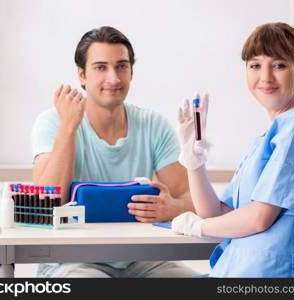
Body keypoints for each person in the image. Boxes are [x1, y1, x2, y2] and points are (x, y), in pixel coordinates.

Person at [31, 26, 198, 278]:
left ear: (131, 72)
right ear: (81, 75)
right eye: (100, 67)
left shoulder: (152, 125)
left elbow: (192, 198)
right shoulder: (53, 122)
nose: (114, 78)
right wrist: (68, 127)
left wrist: (172, 208)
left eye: (122, 66)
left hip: (144, 259)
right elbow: (45, 202)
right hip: (71, 261)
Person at [172, 23, 294, 277]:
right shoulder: (272, 133)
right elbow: (217, 212)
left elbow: (259, 218)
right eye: (255, 65)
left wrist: (198, 227)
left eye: (279, 65)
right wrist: (194, 159)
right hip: (242, 269)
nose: (266, 77)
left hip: (268, 274)